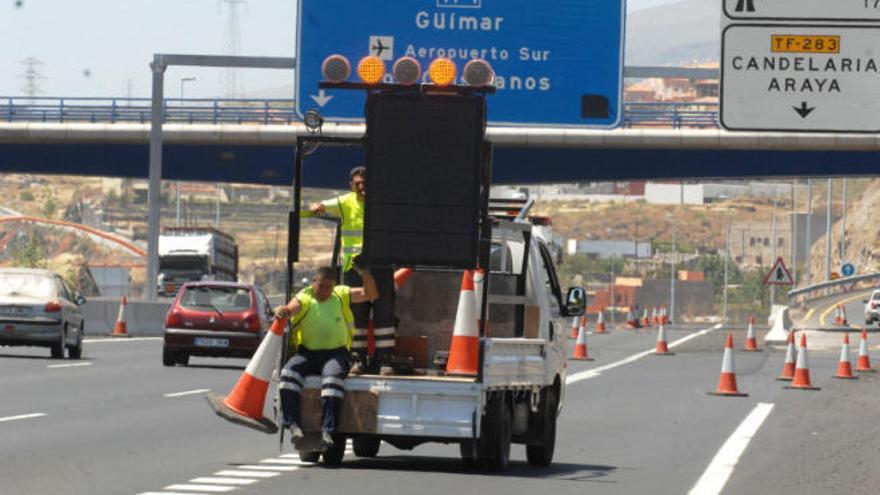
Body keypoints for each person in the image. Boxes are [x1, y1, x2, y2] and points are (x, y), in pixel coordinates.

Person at [274, 263, 378, 448]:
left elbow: (371, 294)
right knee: (288, 375)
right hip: (307, 354)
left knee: (332, 383)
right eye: (321, 286)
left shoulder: (340, 294)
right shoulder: (305, 296)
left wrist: (365, 272)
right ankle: (293, 425)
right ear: (313, 282)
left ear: (334, 285)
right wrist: (283, 311)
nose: (324, 291)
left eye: (328, 287)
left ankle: (327, 431)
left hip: (335, 355)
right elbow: (291, 308)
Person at [308, 166, 396, 374]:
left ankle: (385, 360)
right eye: (357, 184)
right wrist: (316, 206)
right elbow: (321, 205)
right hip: (354, 267)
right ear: (351, 185)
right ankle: (357, 358)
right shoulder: (345, 202)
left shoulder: (383, 202)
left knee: (384, 312)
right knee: (357, 314)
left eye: (365, 184)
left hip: (381, 266)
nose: (362, 188)